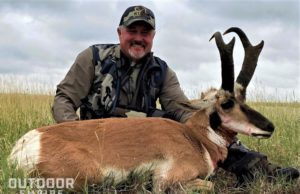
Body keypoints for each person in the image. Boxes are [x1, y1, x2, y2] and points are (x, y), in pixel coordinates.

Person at [52, 5, 299, 187]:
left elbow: (180, 109)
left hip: (144, 138)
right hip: (98, 137)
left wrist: (217, 126)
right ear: (120, 32)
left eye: (145, 33)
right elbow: (64, 98)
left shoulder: (162, 71)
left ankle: (264, 169)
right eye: (132, 31)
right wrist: (76, 132)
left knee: (193, 133)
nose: (138, 38)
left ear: (153, 37)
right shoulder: (93, 58)